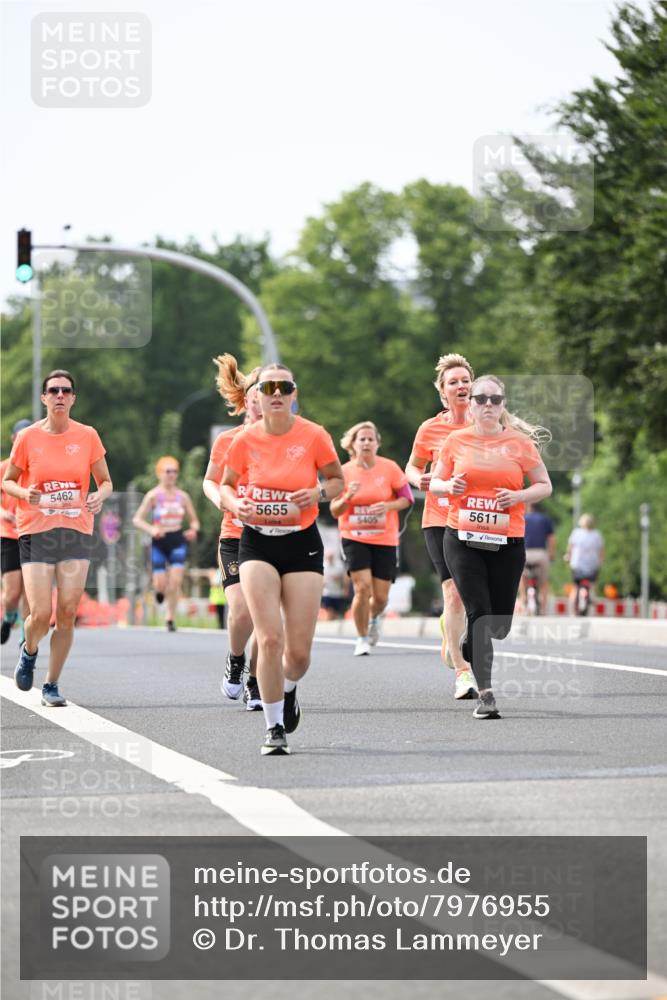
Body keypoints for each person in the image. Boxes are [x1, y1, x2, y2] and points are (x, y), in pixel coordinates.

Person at [220, 363, 343, 755]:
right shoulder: (244, 440)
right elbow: (224, 485)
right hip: (256, 543)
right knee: (269, 638)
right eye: (268, 386)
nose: (275, 392)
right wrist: (235, 503)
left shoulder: (313, 435)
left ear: (294, 394)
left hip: (301, 543)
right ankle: (274, 728)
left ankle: (288, 689)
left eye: (284, 387)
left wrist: (319, 494)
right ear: (256, 395)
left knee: (299, 653)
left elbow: (338, 480)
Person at [432, 374, 552, 719]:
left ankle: (473, 638)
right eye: (480, 398)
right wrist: (448, 486)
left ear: (503, 406)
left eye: (494, 399)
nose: (487, 405)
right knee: (480, 613)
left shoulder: (519, 444)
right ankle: (486, 694)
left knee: (499, 625)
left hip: (507, 541)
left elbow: (544, 486)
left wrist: (518, 496)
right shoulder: (455, 441)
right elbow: (437, 482)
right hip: (461, 539)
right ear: (470, 404)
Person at [2, 370, 112, 706]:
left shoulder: (88, 435)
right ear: (44, 398)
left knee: (66, 611)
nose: (60, 396)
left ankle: (51, 683)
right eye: (54, 391)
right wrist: (27, 493)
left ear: (73, 398)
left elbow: (105, 480)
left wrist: (99, 496)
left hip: (76, 529)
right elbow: (8, 481)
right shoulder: (28, 438)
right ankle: (29, 649)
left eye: (66, 390)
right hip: (36, 530)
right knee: (39, 613)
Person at [405, 353, 477, 699]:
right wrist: (421, 479)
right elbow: (412, 468)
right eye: (454, 382)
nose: (461, 386)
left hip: (479, 517)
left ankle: (454, 634)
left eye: (465, 380)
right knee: (453, 592)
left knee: (475, 595)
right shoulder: (430, 428)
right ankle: (464, 672)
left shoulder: (490, 424)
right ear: (443, 392)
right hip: (439, 518)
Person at [203, 354, 262, 710]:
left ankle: (257, 681)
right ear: (246, 397)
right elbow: (209, 482)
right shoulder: (228, 440)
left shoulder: (286, 439)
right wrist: (222, 500)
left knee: (263, 614)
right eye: (256, 390)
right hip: (234, 537)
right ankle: (236, 657)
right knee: (241, 610)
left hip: (273, 538)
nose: (262, 397)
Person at [330, 421, 413, 656]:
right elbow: (335, 510)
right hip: (354, 536)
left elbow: (407, 499)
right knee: (362, 588)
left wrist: (386, 506)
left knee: (380, 598)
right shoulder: (343, 472)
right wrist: (348, 497)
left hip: (385, 538)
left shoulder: (390, 468)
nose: (366, 443)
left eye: (370, 439)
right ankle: (362, 637)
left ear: (377, 443)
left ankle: (374, 617)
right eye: (361, 439)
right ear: (353, 444)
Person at [133, 456, 200, 632]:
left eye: (174, 471)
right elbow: (137, 519)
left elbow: (194, 521)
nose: (171, 475)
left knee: (176, 581)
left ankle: (170, 617)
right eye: (167, 471)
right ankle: (159, 591)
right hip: (160, 540)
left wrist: (193, 530)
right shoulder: (153, 496)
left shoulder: (183, 497)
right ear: (159, 473)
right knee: (161, 582)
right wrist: (151, 530)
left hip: (177, 539)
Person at [1, 419, 32, 644]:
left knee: (31, 589)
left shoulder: (39, 466)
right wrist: (2, 513)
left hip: (33, 531)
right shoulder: (4, 467)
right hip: (9, 533)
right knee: (12, 594)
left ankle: (25, 637)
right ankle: (9, 615)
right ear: (14, 439)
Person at [519, 503, 555, 614]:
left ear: (528, 508)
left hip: (525, 554)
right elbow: (551, 539)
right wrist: (551, 554)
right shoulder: (545, 519)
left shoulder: (522, 518)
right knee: (544, 582)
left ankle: (524, 600)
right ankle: (543, 609)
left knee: (522, 576)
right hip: (540, 554)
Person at [565, 514, 604, 610]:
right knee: (592, 584)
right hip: (592, 565)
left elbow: (570, 548)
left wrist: (568, 556)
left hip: (577, 565)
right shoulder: (597, 535)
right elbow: (601, 551)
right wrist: (600, 561)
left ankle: (573, 610)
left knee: (575, 587)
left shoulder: (576, 533)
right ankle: (593, 596)